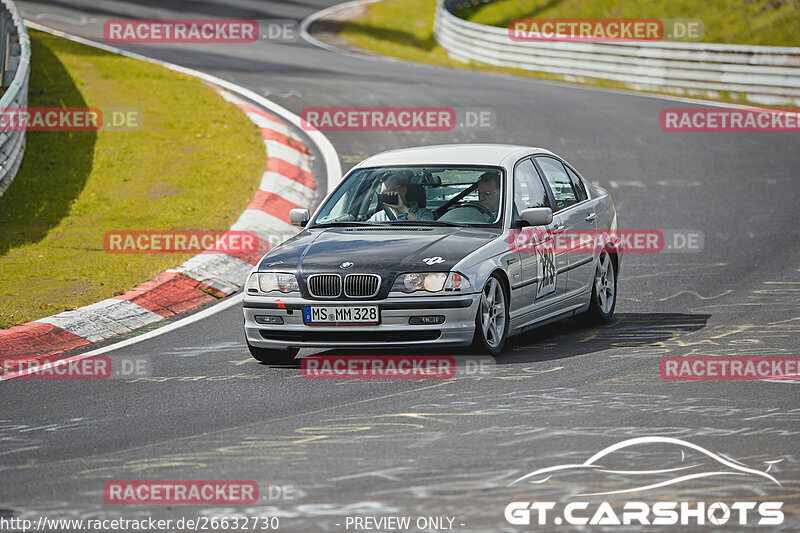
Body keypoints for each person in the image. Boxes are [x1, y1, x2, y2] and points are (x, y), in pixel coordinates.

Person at [369, 170, 435, 222]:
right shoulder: (379, 217)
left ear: (403, 190)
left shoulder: (424, 214)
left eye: (387, 192)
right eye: (382, 193)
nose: (384, 196)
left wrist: (403, 209)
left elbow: (427, 230)